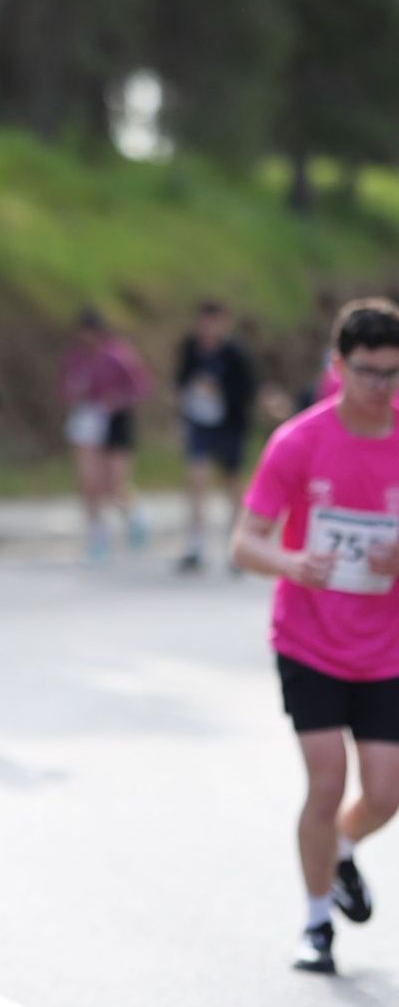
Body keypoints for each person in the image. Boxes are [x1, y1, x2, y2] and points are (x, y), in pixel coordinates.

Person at [231, 297, 399, 975]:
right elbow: (244, 543)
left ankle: (343, 852)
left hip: (387, 645)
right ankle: (315, 922)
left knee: (386, 790)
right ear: (337, 366)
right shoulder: (299, 442)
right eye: (366, 372)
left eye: (392, 374)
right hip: (309, 639)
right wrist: (292, 563)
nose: (379, 388)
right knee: (326, 779)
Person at [59, 309, 151, 562]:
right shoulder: (75, 358)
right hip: (87, 419)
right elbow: (65, 387)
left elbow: (140, 386)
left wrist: (116, 400)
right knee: (89, 481)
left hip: (115, 421)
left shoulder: (117, 355)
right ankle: (96, 533)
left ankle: (133, 514)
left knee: (115, 484)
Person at [174, 301, 258, 573]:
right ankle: (195, 544)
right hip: (200, 423)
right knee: (196, 477)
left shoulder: (234, 354)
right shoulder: (191, 349)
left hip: (229, 425)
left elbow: (247, 391)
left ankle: (236, 545)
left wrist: (219, 389)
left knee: (231, 483)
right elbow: (180, 381)